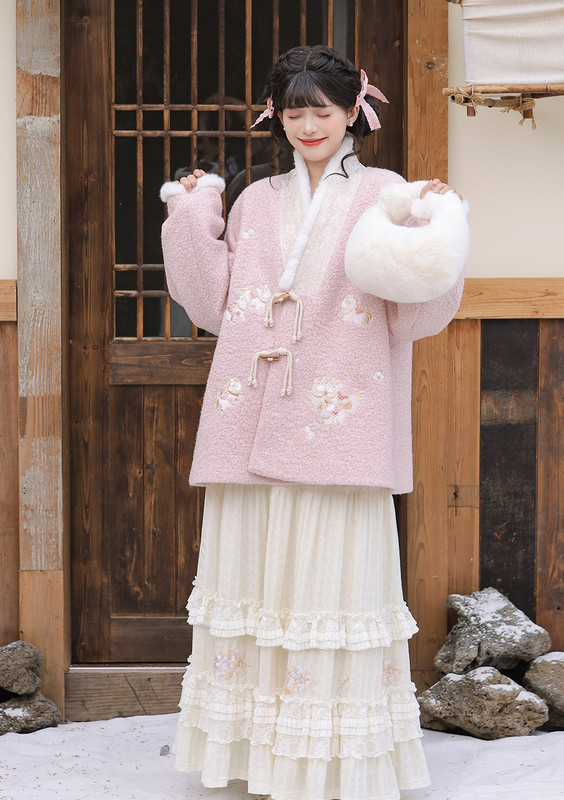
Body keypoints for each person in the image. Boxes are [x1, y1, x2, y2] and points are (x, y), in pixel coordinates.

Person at [159, 44, 469, 800]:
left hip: (342, 415)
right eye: (294, 112)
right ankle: (258, 756)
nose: (308, 125)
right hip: (251, 409)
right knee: (256, 581)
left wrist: (435, 226)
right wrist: (192, 212)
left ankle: (330, 762)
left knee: (334, 584)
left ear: (353, 112)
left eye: (322, 111)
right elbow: (210, 303)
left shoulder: (387, 195)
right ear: (277, 117)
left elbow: (417, 314)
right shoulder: (255, 202)